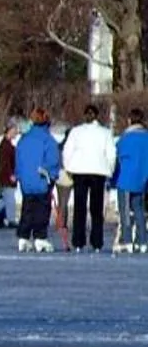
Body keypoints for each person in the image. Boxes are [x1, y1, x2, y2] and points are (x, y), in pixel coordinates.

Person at [63, 103, 115, 253]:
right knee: (96, 209)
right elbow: (111, 154)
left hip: (80, 171)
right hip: (98, 172)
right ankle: (97, 242)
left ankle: (78, 241)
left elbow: (67, 151)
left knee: (80, 207)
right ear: (97, 116)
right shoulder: (105, 133)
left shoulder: (76, 132)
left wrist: (69, 168)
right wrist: (109, 170)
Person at [16, 107, 62, 253]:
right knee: (42, 209)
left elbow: (18, 160)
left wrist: (19, 175)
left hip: (26, 181)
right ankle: (40, 237)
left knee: (27, 208)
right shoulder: (48, 140)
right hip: (42, 179)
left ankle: (23, 237)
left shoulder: (24, 139)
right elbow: (53, 161)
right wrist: (52, 175)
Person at [115, 110, 148, 254]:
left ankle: (127, 240)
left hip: (126, 179)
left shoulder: (125, 138)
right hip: (142, 179)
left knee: (125, 211)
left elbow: (118, 155)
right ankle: (143, 240)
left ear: (130, 120)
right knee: (139, 210)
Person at [0, 117, 20, 228]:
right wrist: (11, 175)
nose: (16, 132)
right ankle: (10, 220)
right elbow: (5, 164)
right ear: (9, 131)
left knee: (4, 200)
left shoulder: (6, 145)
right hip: (6, 178)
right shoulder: (6, 146)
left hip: (3, 177)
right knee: (9, 200)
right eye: (14, 130)